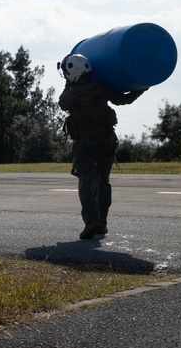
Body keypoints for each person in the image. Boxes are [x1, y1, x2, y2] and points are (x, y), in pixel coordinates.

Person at [57, 53, 145, 240]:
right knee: (103, 181)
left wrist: (69, 83)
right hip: (106, 141)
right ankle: (102, 222)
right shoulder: (101, 88)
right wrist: (143, 87)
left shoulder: (68, 97)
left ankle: (91, 221)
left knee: (86, 182)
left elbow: (62, 103)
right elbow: (124, 100)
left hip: (85, 145)